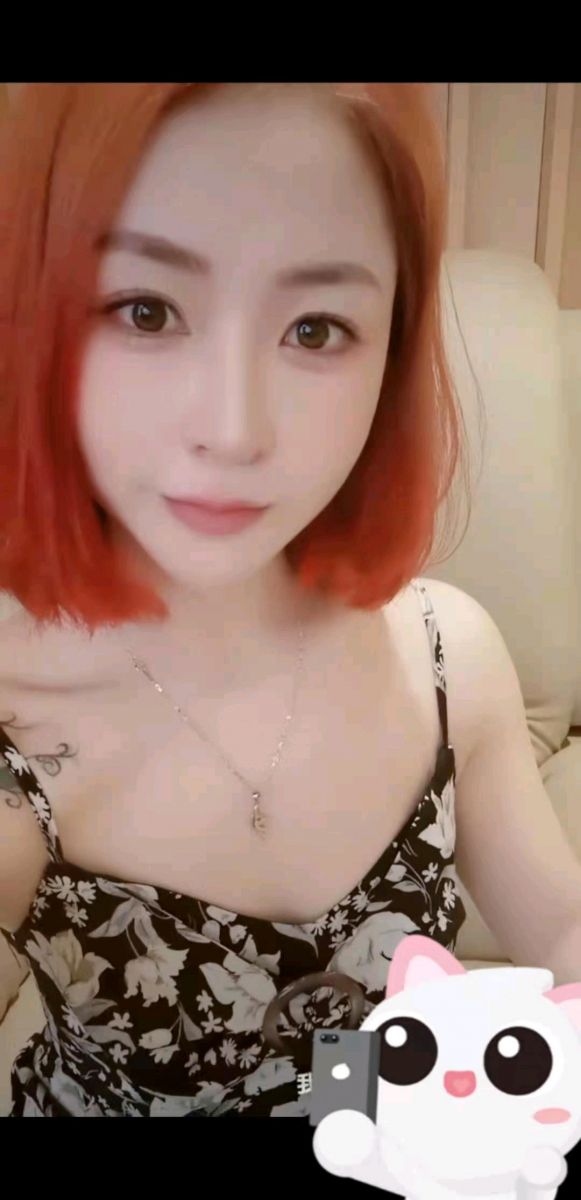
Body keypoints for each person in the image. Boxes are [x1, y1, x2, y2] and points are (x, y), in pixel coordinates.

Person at [0, 82, 579, 1119]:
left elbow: (564, 939)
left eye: (315, 329)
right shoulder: (18, 717)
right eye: (146, 310)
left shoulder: (447, 656)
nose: (233, 430)